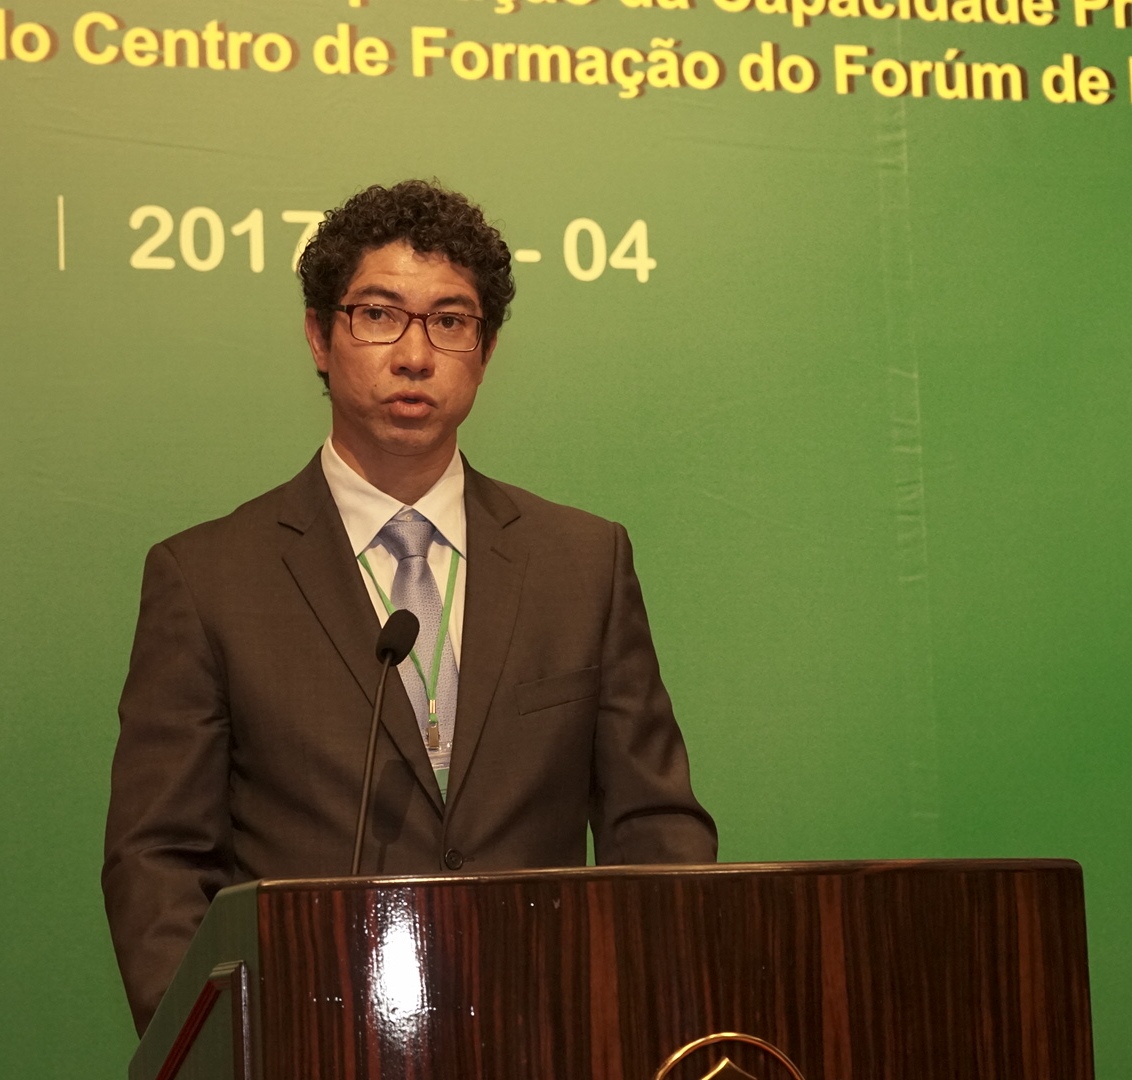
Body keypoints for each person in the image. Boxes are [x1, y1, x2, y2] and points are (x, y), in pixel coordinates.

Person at [103, 179, 717, 1035]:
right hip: (311, 1041)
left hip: (550, 1033)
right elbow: (159, 860)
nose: (415, 354)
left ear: (485, 350)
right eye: (379, 315)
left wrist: (642, 1017)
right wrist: (225, 1046)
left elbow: (653, 825)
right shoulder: (208, 579)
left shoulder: (583, 562)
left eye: (450, 321)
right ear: (319, 336)